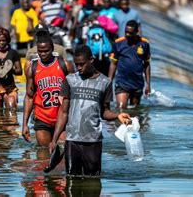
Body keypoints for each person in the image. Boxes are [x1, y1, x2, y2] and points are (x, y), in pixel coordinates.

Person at [49, 45, 131, 177]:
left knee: (93, 180)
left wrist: (117, 115)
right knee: (71, 180)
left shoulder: (105, 82)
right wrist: (54, 139)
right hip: (72, 140)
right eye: (76, 65)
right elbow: (63, 112)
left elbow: (104, 112)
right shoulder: (70, 80)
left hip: (93, 141)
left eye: (82, 64)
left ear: (91, 60)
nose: (79, 68)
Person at [22, 35, 71, 146]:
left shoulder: (65, 65)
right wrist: (24, 124)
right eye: (40, 51)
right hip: (42, 118)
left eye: (46, 51)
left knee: (62, 153)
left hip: (62, 117)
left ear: (52, 49)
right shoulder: (32, 69)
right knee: (43, 156)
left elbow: (75, 93)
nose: (43, 54)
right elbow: (29, 97)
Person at [108, 20, 151, 110]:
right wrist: (109, 81)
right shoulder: (118, 43)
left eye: (130, 33)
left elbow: (147, 64)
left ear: (136, 32)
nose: (127, 34)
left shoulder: (144, 43)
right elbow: (113, 63)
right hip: (122, 83)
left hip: (137, 84)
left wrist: (148, 84)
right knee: (121, 109)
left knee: (135, 111)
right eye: (126, 32)